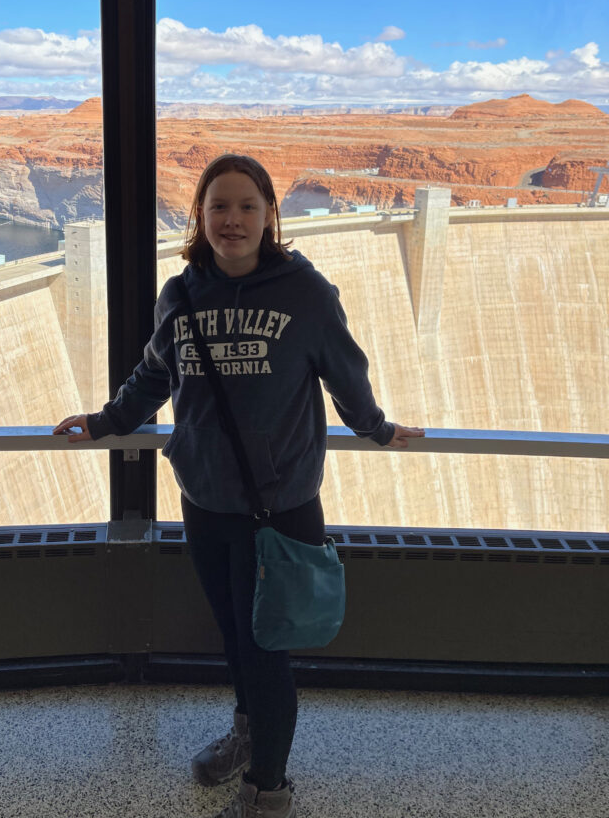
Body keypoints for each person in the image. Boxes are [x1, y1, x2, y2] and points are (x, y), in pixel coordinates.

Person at [54, 154, 424, 818]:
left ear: (270, 216)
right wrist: (105, 422)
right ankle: (248, 734)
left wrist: (375, 427)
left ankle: (268, 791)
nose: (232, 220)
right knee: (234, 637)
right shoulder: (181, 294)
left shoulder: (305, 295)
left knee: (267, 651)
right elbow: (153, 377)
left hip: (279, 510)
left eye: (247, 207)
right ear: (200, 216)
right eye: (219, 206)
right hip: (205, 504)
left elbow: (346, 375)